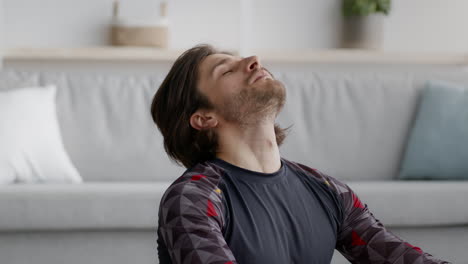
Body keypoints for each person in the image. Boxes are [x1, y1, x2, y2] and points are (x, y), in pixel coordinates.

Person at [150, 44, 451, 264]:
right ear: (204, 118)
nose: (254, 61)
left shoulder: (328, 189)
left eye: (245, 59)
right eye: (227, 70)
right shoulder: (193, 198)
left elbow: (394, 255)